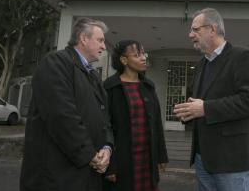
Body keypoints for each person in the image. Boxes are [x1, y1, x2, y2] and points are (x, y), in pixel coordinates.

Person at [173, 8, 249, 191]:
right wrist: (189, 112)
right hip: (203, 158)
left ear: (212, 29)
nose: (190, 35)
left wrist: (205, 108)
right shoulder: (200, 65)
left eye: (195, 29)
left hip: (232, 160)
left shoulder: (241, 57)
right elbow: (200, 103)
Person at [20, 17, 114, 191]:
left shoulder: (93, 75)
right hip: (57, 175)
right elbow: (61, 116)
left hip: (88, 173)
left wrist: (106, 148)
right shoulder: (55, 63)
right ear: (84, 39)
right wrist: (89, 155)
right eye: (100, 40)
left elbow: (104, 119)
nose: (104, 46)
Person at [103, 40, 168, 191]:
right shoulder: (110, 88)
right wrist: (110, 165)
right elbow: (104, 127)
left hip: (147, 157)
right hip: (123, 159)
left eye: (143, 54)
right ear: (124, 60)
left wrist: (161, 155)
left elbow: (156, 123)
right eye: (137, 55)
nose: (144, 57)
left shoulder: (148, 86)